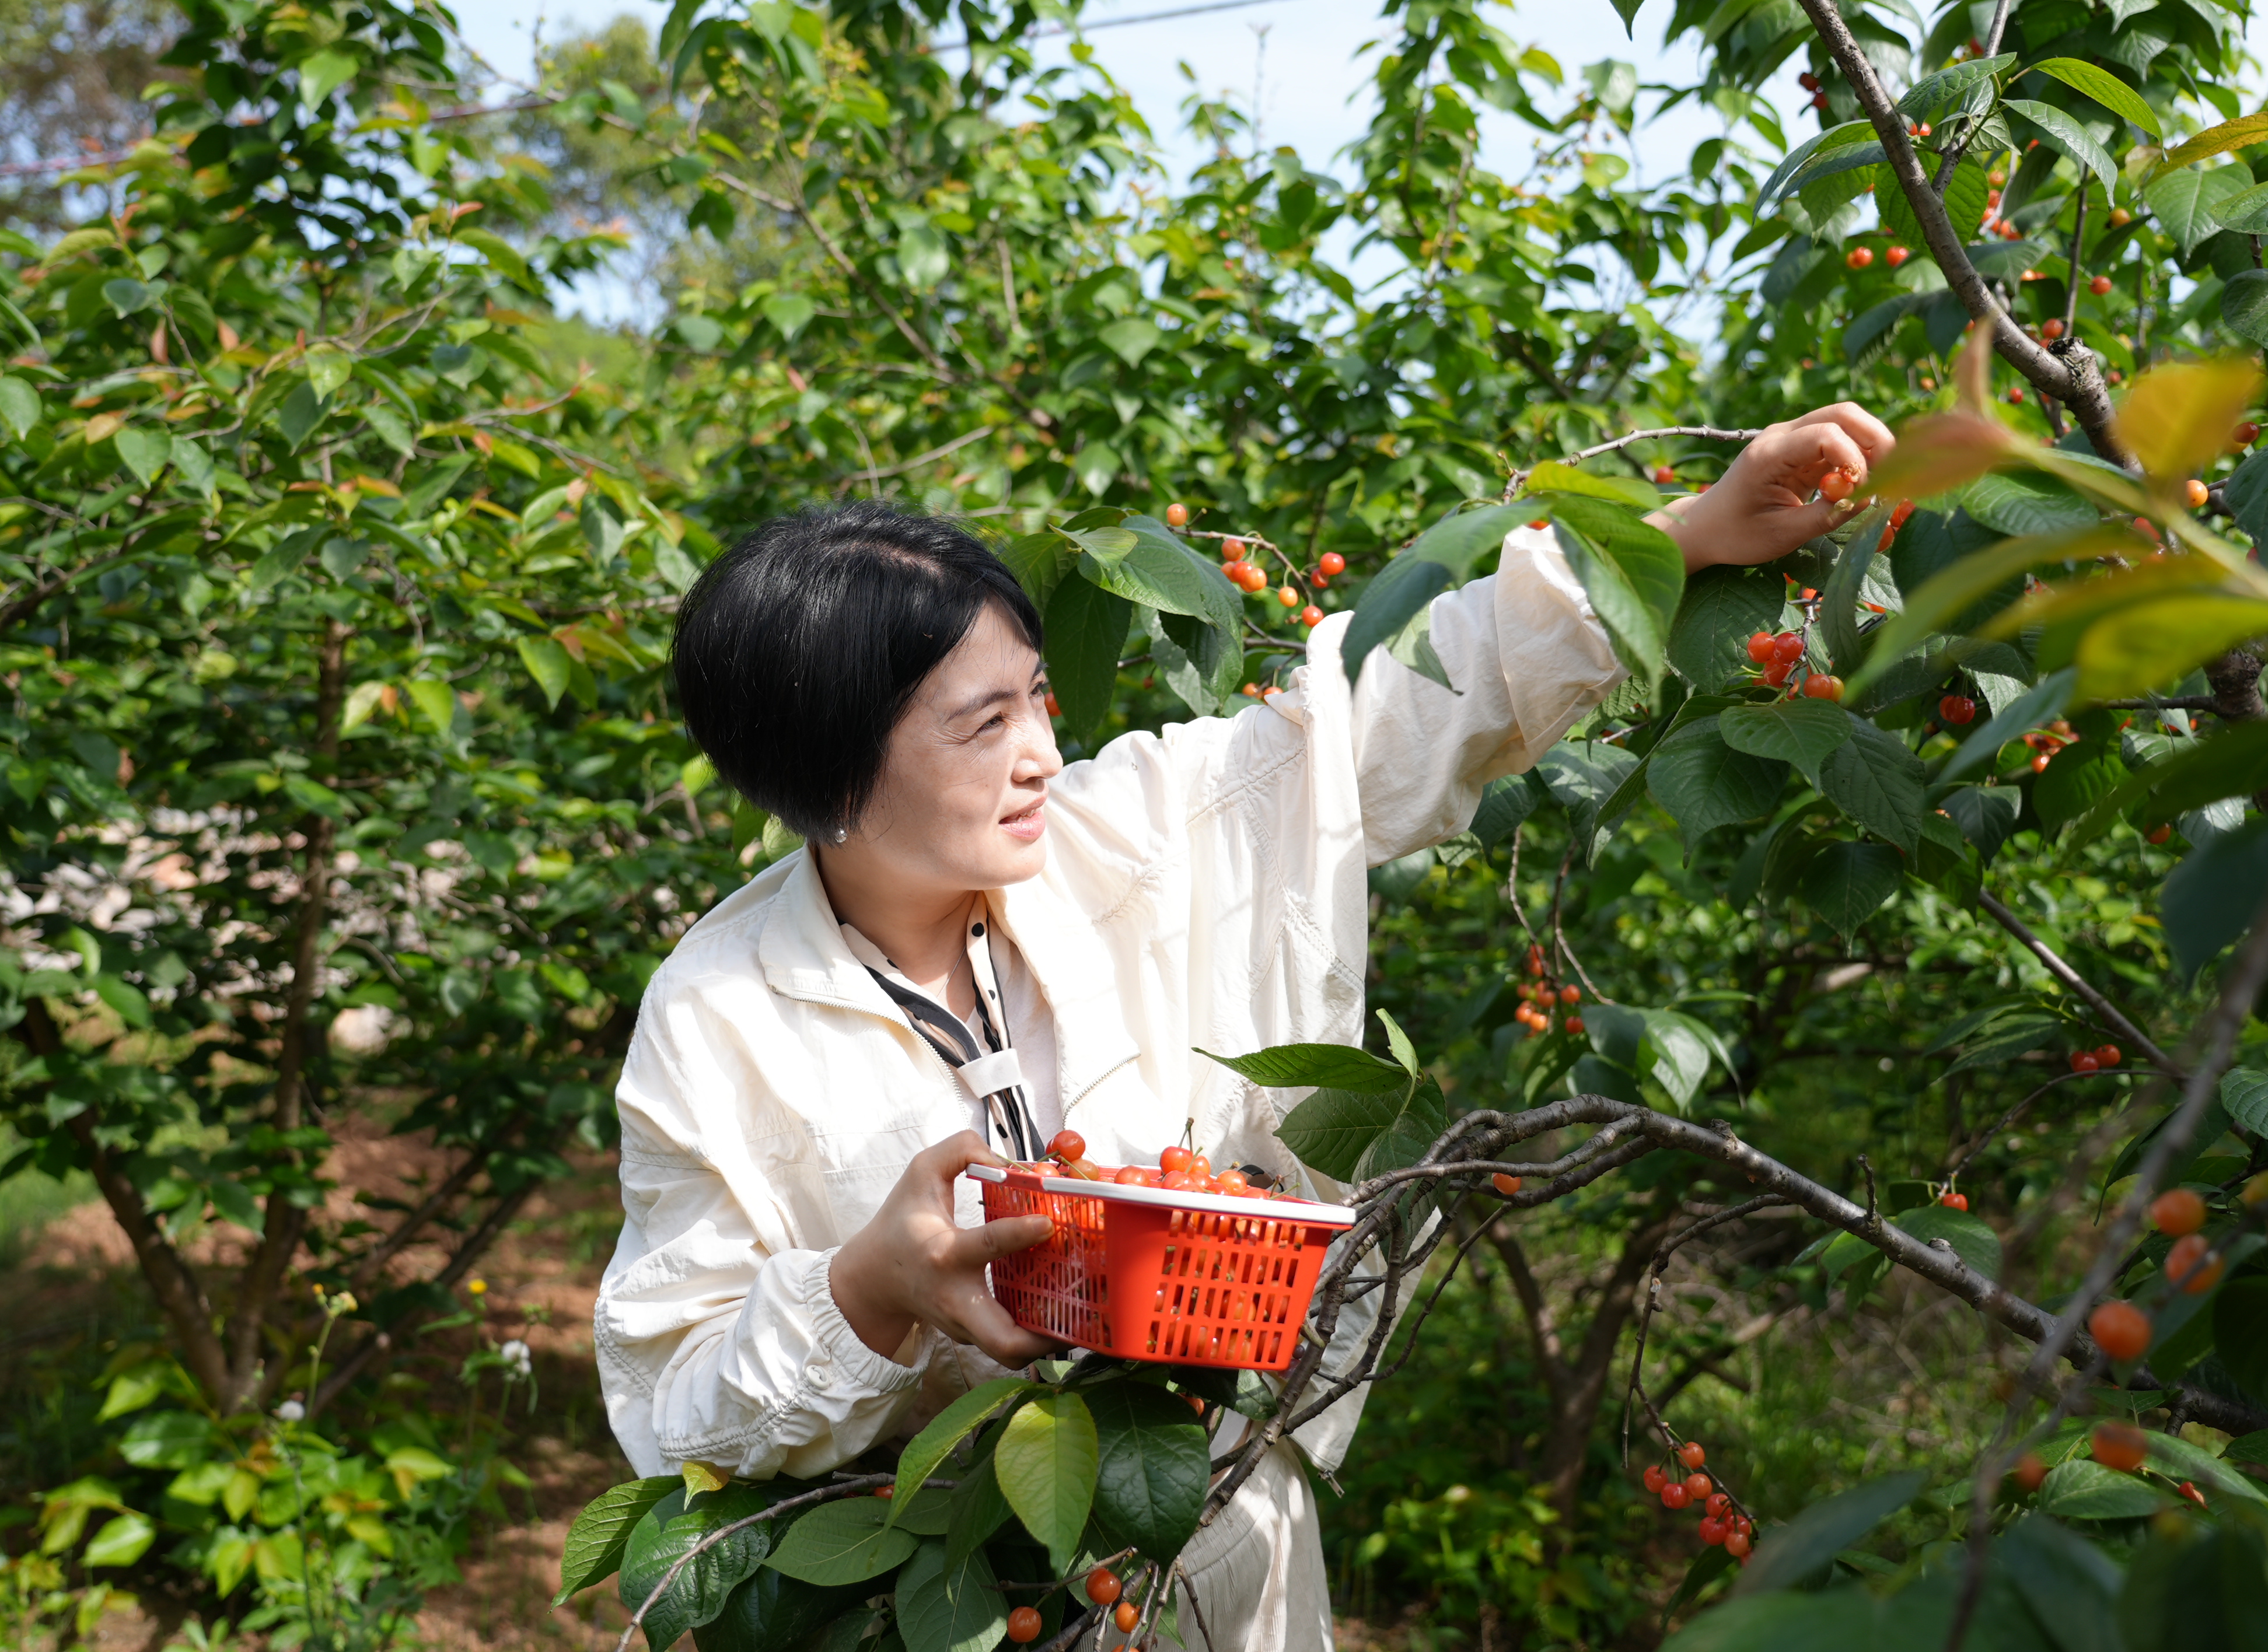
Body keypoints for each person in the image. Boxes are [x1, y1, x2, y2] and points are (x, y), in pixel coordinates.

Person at [593, 405, 1893, 1650]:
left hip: (1217, 1552)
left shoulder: (1131, 837)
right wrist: (861, 1291)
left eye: (1036, 697)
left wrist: (1690, 531)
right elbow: (672, 1399)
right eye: (983, 724)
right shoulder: (715, 1017)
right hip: (939, 1595)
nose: (1042, 750)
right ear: (823, 774)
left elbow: (1379, 698)